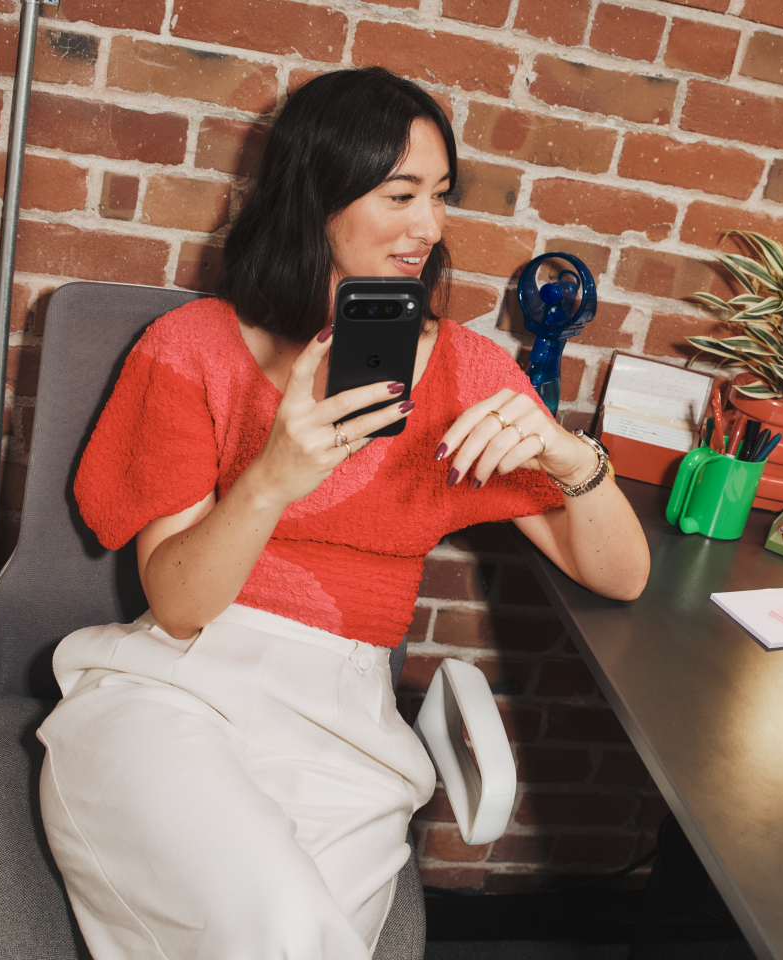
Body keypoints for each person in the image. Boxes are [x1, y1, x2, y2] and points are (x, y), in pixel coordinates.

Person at [35, 67, 650, 960]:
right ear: (315, 198)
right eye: (400, 194)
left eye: (440, 196)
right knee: (282, 930)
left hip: (345, 727)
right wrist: (275, 475)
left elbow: (622, 575)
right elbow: (177, 605)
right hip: (177, 691)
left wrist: (570, 456)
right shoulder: (192, 348)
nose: (429, 226)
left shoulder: (467, 370)